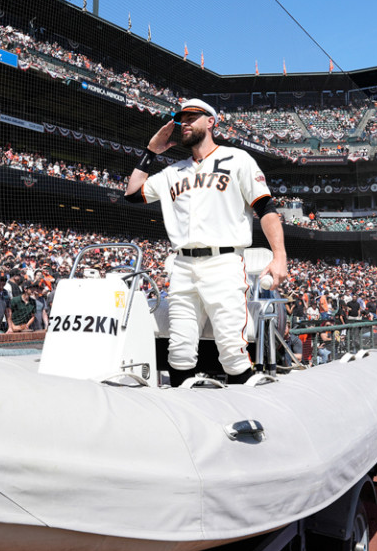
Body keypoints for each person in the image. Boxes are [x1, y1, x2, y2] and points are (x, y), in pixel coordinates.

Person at [123, 98, 288, 384]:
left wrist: (280, 256)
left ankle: (245, 413)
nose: (184, 122)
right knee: (179, 351)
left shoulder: (238, 159)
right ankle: (180, 412)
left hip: (223, 262)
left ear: (211, 121)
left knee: (231, 350)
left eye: (191, 117)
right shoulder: (173, 171)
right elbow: (133, 193)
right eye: (181, 118)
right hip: (182, 265)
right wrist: (150, 152)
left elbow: (266, 209)